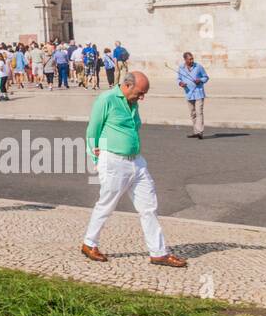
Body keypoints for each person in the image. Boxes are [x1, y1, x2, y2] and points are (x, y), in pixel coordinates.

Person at [80, 71, 186, 268]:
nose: (142, 97)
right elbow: (92, 131)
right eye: (140, 93)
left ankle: (158, 253)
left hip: (136, 162)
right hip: (113, 160)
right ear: (127, 86)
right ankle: (89, 244)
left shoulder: (133, 103)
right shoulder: (107, 99)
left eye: (144, 93)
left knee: (149, 206)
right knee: (107, 204)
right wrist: (96, 158)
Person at [176, 51, 209, 139]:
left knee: (199, 112)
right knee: (193, 113)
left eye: (192, 58)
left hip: (199, 93)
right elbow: (178, 79)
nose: (192, 60)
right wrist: (181, 83)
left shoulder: (198, 67)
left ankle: (200, 132)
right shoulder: (181, 68)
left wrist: (200, 80)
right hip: (189, 93)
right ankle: (196, 131)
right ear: (185, 59)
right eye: (190, 59)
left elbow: (206, 77)